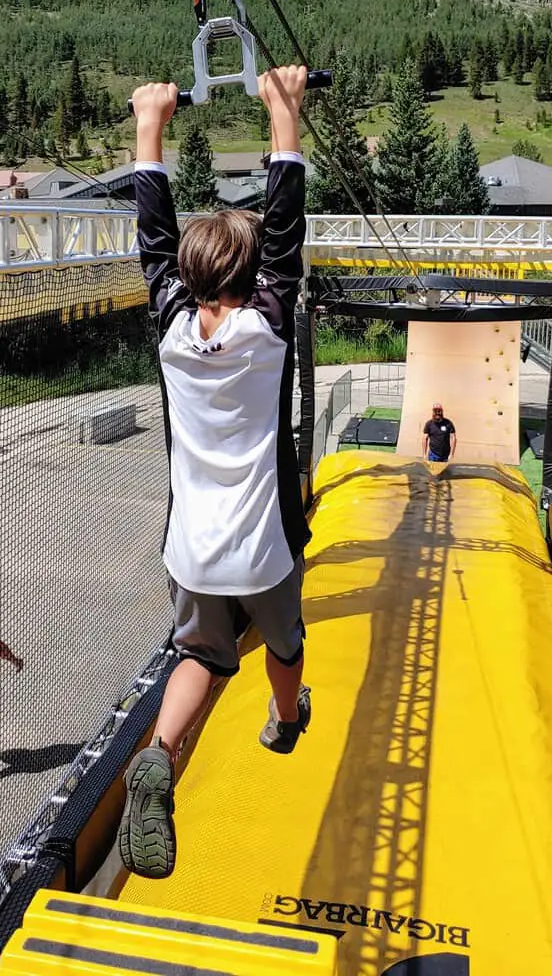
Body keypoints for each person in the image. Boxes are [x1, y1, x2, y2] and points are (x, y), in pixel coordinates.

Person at [117, 65, 312, 880]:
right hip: (260, 547)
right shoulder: (266, 328)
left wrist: (150, 125)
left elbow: (153, 234)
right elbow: (288, 222)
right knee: (283, 640)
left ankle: (160, 751)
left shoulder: (169, 327)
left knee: (199, 655)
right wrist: (285, 108)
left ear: (189, 278)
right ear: (253, 272)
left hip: (190, 547)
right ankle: (284, 714)